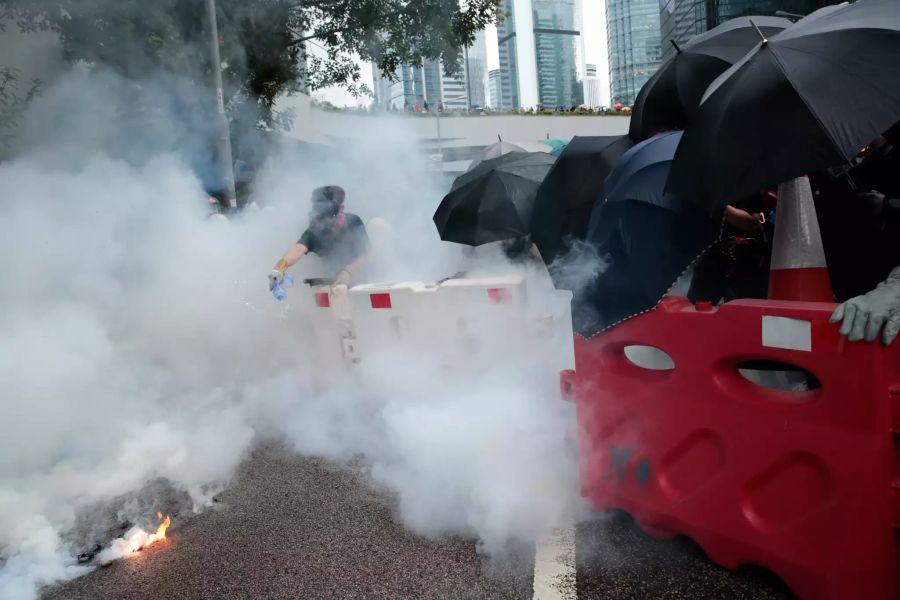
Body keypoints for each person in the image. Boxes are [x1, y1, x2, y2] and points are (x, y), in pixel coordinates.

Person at [268, 185, 370, 291]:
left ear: (341, 208)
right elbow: (298, 249)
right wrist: (279, 268)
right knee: (337, 292)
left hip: (361, 278)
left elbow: (366, 253)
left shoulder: (353, 222)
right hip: (333, 280)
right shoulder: (315, 230)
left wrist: (348, 271)